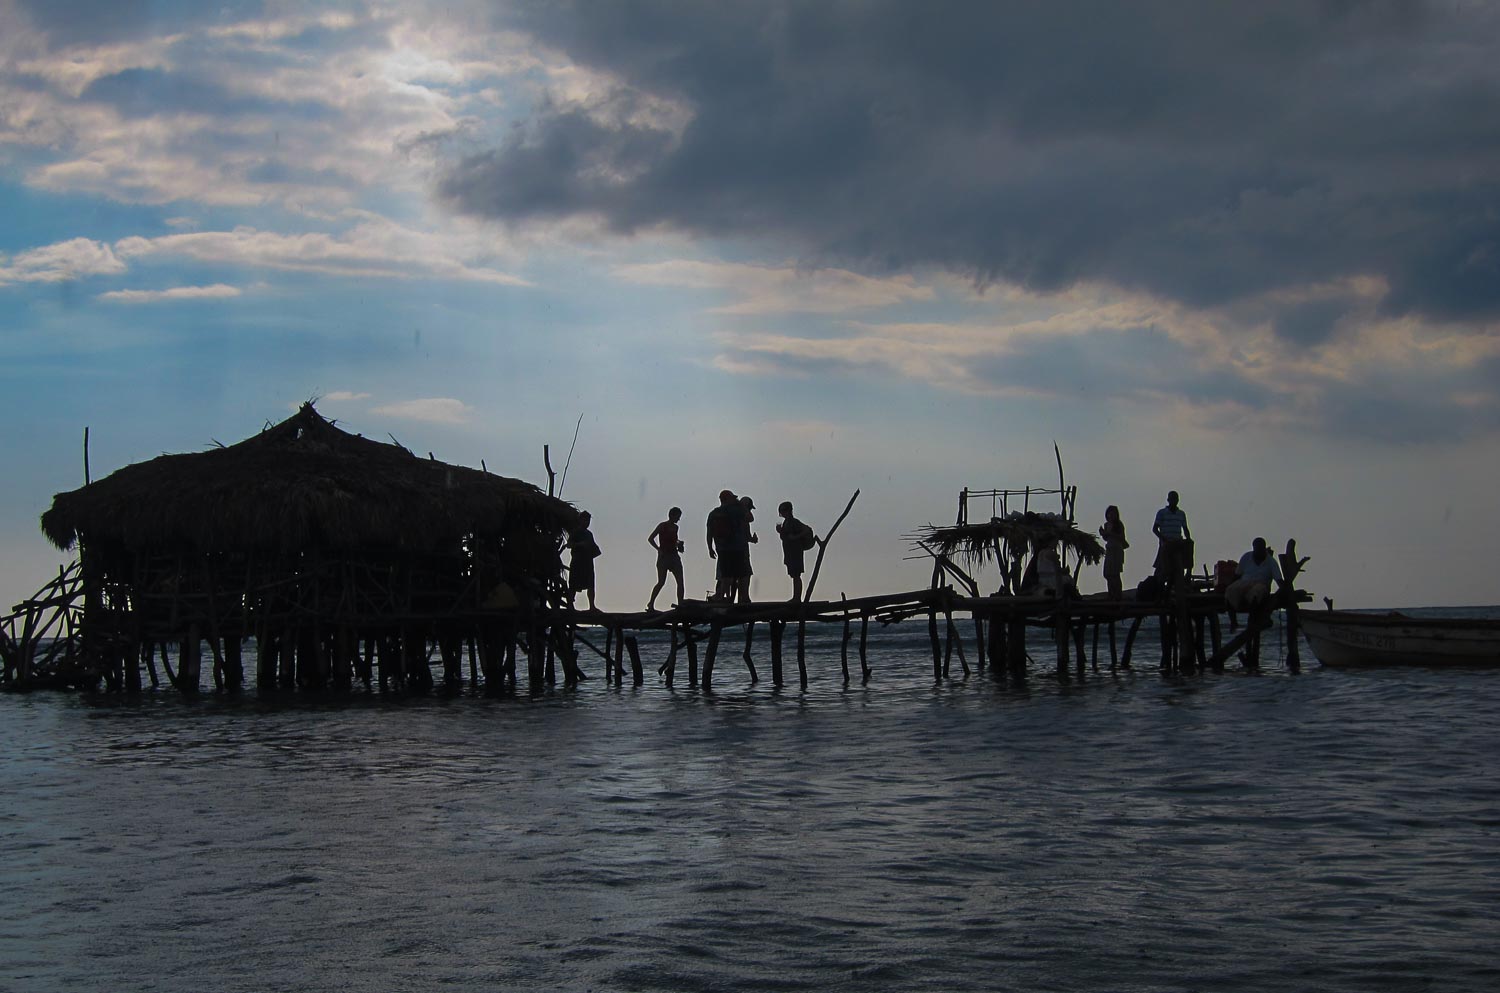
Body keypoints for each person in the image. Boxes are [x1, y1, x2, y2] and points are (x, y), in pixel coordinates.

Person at [1226, 536, 1284, 620]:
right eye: (1257, 549)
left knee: (1255, 594)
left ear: (1264, 548)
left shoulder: (1271, 562)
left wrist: (1282, 591)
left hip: (1262, 584)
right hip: (1245, 582)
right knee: (1230, 590)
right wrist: (1228, 586)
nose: (1258, 551)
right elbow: (1237, 575)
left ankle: (1252, 619)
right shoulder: (1246, 557)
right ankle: (1233, 621)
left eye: (1260, 548)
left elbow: (1279, 580)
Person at [775, 501, 818, 602]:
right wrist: (780, 532)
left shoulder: (794, 522)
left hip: (795, 552)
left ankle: (797, 598)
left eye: (783, 511)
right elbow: (786, 537)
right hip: (789, 552)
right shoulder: (786, 522)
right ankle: (796, 597)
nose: (782, 513)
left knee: (796, 575)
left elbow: (807, 530)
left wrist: (795, 537)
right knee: (794, 575)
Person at [705, 490, 744, 601]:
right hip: (736, 547)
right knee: (739, 575)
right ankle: (735, 598)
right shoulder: (735, 511)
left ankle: (723, 597)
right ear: (728, 499)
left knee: (725, 575)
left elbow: (709, 533)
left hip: (721, 548)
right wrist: (739, 503)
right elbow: (749, 517)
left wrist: (710, 548)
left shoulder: (713, 513)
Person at [646, 507, 685, 611]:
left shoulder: (676, 528)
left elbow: (674, 540)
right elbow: (650, 539)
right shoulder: (662, 526)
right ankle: (651, 603)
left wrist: (679, 545)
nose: (678, 519)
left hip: (674, 556)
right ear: (672, 515)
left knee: (680, 582)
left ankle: (681, 604)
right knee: (661, 582)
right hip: (664, 557)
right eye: (677, 516)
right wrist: (658, 549)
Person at [1151, 490, 1193, 583]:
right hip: (1166, 543)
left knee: (1189, 545)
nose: (1174, 501)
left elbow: (1185, 529)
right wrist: (1163, 539)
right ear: (1168, 500)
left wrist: (1188, 539)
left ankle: (1188, 572)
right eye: (1172, 499)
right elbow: (1155, 529)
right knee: (1163, 568)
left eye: (1175, 499)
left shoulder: (1181, 514)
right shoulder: (1162, 513)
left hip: (1177, 542)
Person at [566, 511, 600, 611]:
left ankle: (592, 606)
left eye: (588, 520)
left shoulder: (589, 534)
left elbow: (593, 547)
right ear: (580, 520)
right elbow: (569, 545)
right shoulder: (575, 532)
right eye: (585, 520)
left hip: (588, 562)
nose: (587, 522)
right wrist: (581, 544)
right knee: (573, 585)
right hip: (577, 562)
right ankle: (570, 605)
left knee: (590, 585)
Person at [1099, 505, 1129, 599]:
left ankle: (1117, 595)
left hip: (1117, 550)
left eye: (1113, 513)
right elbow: (1106, 538)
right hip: (1109, 550)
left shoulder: (1119, 524)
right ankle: (1111, 593)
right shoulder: (1106, 525)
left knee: (1115, 574)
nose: (1111, 515)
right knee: (1107, 573)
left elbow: (1122, 538)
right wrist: (1103, 533)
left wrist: (1110, 533)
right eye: (1109, 513)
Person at [735, 495, 759, 604]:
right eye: (749, 507)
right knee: (745, 574)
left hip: (738, 548)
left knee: (740, 575)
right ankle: (744, 597)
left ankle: (742, 597)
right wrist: (744, 507)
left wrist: (753, 539)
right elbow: (751, 518)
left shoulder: (736, 514)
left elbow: (747, 536)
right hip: (741, 549)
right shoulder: (742, 514)